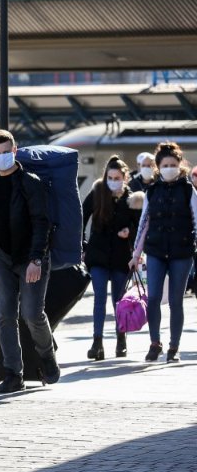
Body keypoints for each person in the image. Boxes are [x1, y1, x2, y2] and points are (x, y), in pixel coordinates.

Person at [0, 129, 58, 393]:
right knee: (4, 315)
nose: (0, 158)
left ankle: (47, 356)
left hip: (31, 256)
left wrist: (36, 259)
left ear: (15, 150)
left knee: (33, 314)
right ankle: (13, 373)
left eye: (5, 152)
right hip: (2, 256)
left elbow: (41, 223)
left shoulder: (30, 182)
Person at [129, 141, 197, 363]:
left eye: (173, 164)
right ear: (158, 166)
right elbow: (143, 223)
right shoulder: (152, 190)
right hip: (156, 251)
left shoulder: (188, 190)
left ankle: (174, 346)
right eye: (165, 164)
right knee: (154, 298)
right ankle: (154, 342)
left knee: (176, 300)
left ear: (179, 165)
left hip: (182, 252)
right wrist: (136, 253)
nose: (169, 167)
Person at [82, 156, 142, 360]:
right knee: (99, 298)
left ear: (125, 178)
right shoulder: (97, 192)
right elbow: (82, 216)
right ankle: (96, 342)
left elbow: (140, 226)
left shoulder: (132, 198)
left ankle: (121, 340)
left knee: (119, 300)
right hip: (98, 255)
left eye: (117, 177)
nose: (113, 180)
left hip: (121, 257)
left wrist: (129, 232)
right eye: (110, 177)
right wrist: (82, 245)